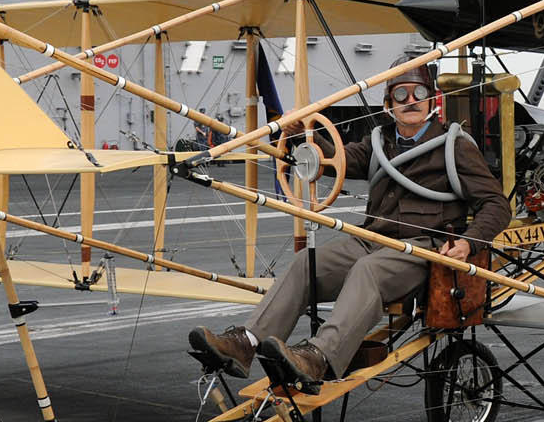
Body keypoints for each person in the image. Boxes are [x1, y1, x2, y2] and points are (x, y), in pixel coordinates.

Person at [189, 61, 511, 388]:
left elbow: (497, 205)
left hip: (422, 251)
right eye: (401, 94)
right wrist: (302, 135)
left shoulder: (454, 145)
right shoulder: (379, 143)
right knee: (306, 264)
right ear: (388, 104)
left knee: (367, 270)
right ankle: (245, 343)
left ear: (432, 100)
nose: (411, 100)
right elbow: (336, 159)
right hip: (372, 240)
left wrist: (468, 242)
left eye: (419, 93)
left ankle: (318, 356)